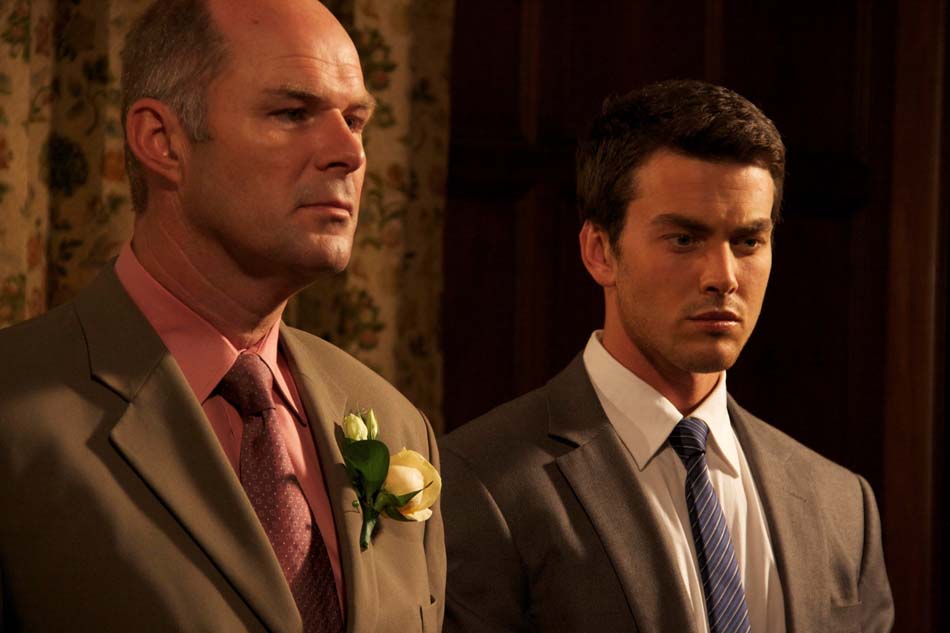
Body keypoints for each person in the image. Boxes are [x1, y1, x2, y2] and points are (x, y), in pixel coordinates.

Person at [0, 1, 444, 631]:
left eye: (355, 120)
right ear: (162, 141)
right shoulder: (16, 410)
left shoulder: (396, 423)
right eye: (292, 113)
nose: (349, 151)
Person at [440, 80, 893, 633]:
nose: (723, 277)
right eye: (684, 239)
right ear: (600, 251)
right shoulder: (484, 481)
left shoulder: (843, 505)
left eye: (748, 242)